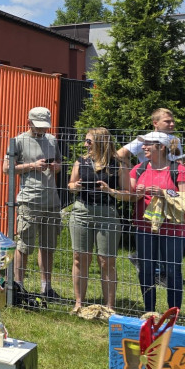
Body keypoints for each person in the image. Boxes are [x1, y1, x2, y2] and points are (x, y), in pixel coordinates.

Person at [67, 127, 131, 314]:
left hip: (107, 214)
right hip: (81, 212)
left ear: (101, 143)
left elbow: (128, 193)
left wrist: (110, 191)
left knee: (106, 261)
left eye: (89, 141)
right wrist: (75, 186)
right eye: (85, 141)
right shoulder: (81, 162)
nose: (85, 144)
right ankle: (79, 303)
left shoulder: (118, 164)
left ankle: (110, 307)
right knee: (79, 258)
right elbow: (70, 185)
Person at [2, 106, 62, 301]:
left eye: (45, 127)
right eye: (38, 127)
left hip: (51, 201)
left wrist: (55, 166)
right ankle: (19, 286)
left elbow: (60, 165)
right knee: (25, 245)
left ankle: (47, 287)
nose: (42, 131)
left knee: (48, 246)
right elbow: (6, 168)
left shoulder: (52, 140)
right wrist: (31, 166)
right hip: (29, 200)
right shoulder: (19, 141)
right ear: (29, 122)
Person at [130, 131, 185, 313]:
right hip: (144, 227)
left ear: (161, 147)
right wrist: (137, 193)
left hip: (173, 228)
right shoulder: (139, 168)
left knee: (173, 271)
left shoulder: (179, 170)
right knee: (146, 270)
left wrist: (164, 193)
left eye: (148, 143)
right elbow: (130, 195)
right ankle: (149, 311)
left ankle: (173, 313)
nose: (143, 147)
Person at [117, 108, 185, 166]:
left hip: (172, 178)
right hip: (151, 178)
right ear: (155, 123)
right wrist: (136, 171)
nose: (172, 124)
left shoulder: (175, 139)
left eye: (173, 121)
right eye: (167, 121)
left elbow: (178, 161)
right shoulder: (147, 139)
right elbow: (120, 154)